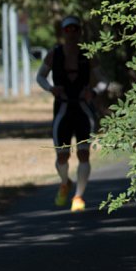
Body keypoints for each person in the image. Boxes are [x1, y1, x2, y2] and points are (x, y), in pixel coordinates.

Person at [36, 15, 100, 212]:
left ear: (80, 32)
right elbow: (40, 77)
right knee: (62, 156)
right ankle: (65, 182)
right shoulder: (54, 54)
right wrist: (51, 89)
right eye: (67, 30)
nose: (71, 34)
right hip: (63, 108)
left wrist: (93, 91)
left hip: (82, 108)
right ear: (62, 33)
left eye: (75, 29)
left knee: (83, 153)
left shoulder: (88, 54)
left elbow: (101, 80)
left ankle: (79, 196)